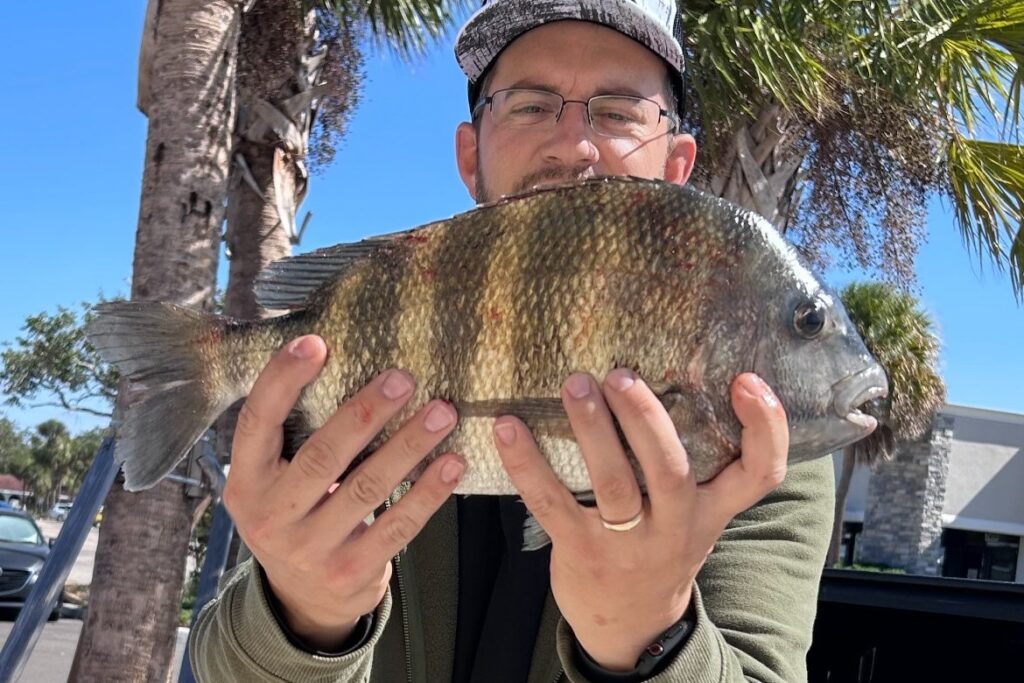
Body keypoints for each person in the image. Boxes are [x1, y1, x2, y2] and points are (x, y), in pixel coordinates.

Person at [189, 1, 835, 681]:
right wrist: (303, 614)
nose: (574, 145)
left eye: (617, 111)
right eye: (530, 106)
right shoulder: (350, 377)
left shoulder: (755, 442)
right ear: (471, 156)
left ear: (677, 164)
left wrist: (650, 638)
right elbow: (218, 661)